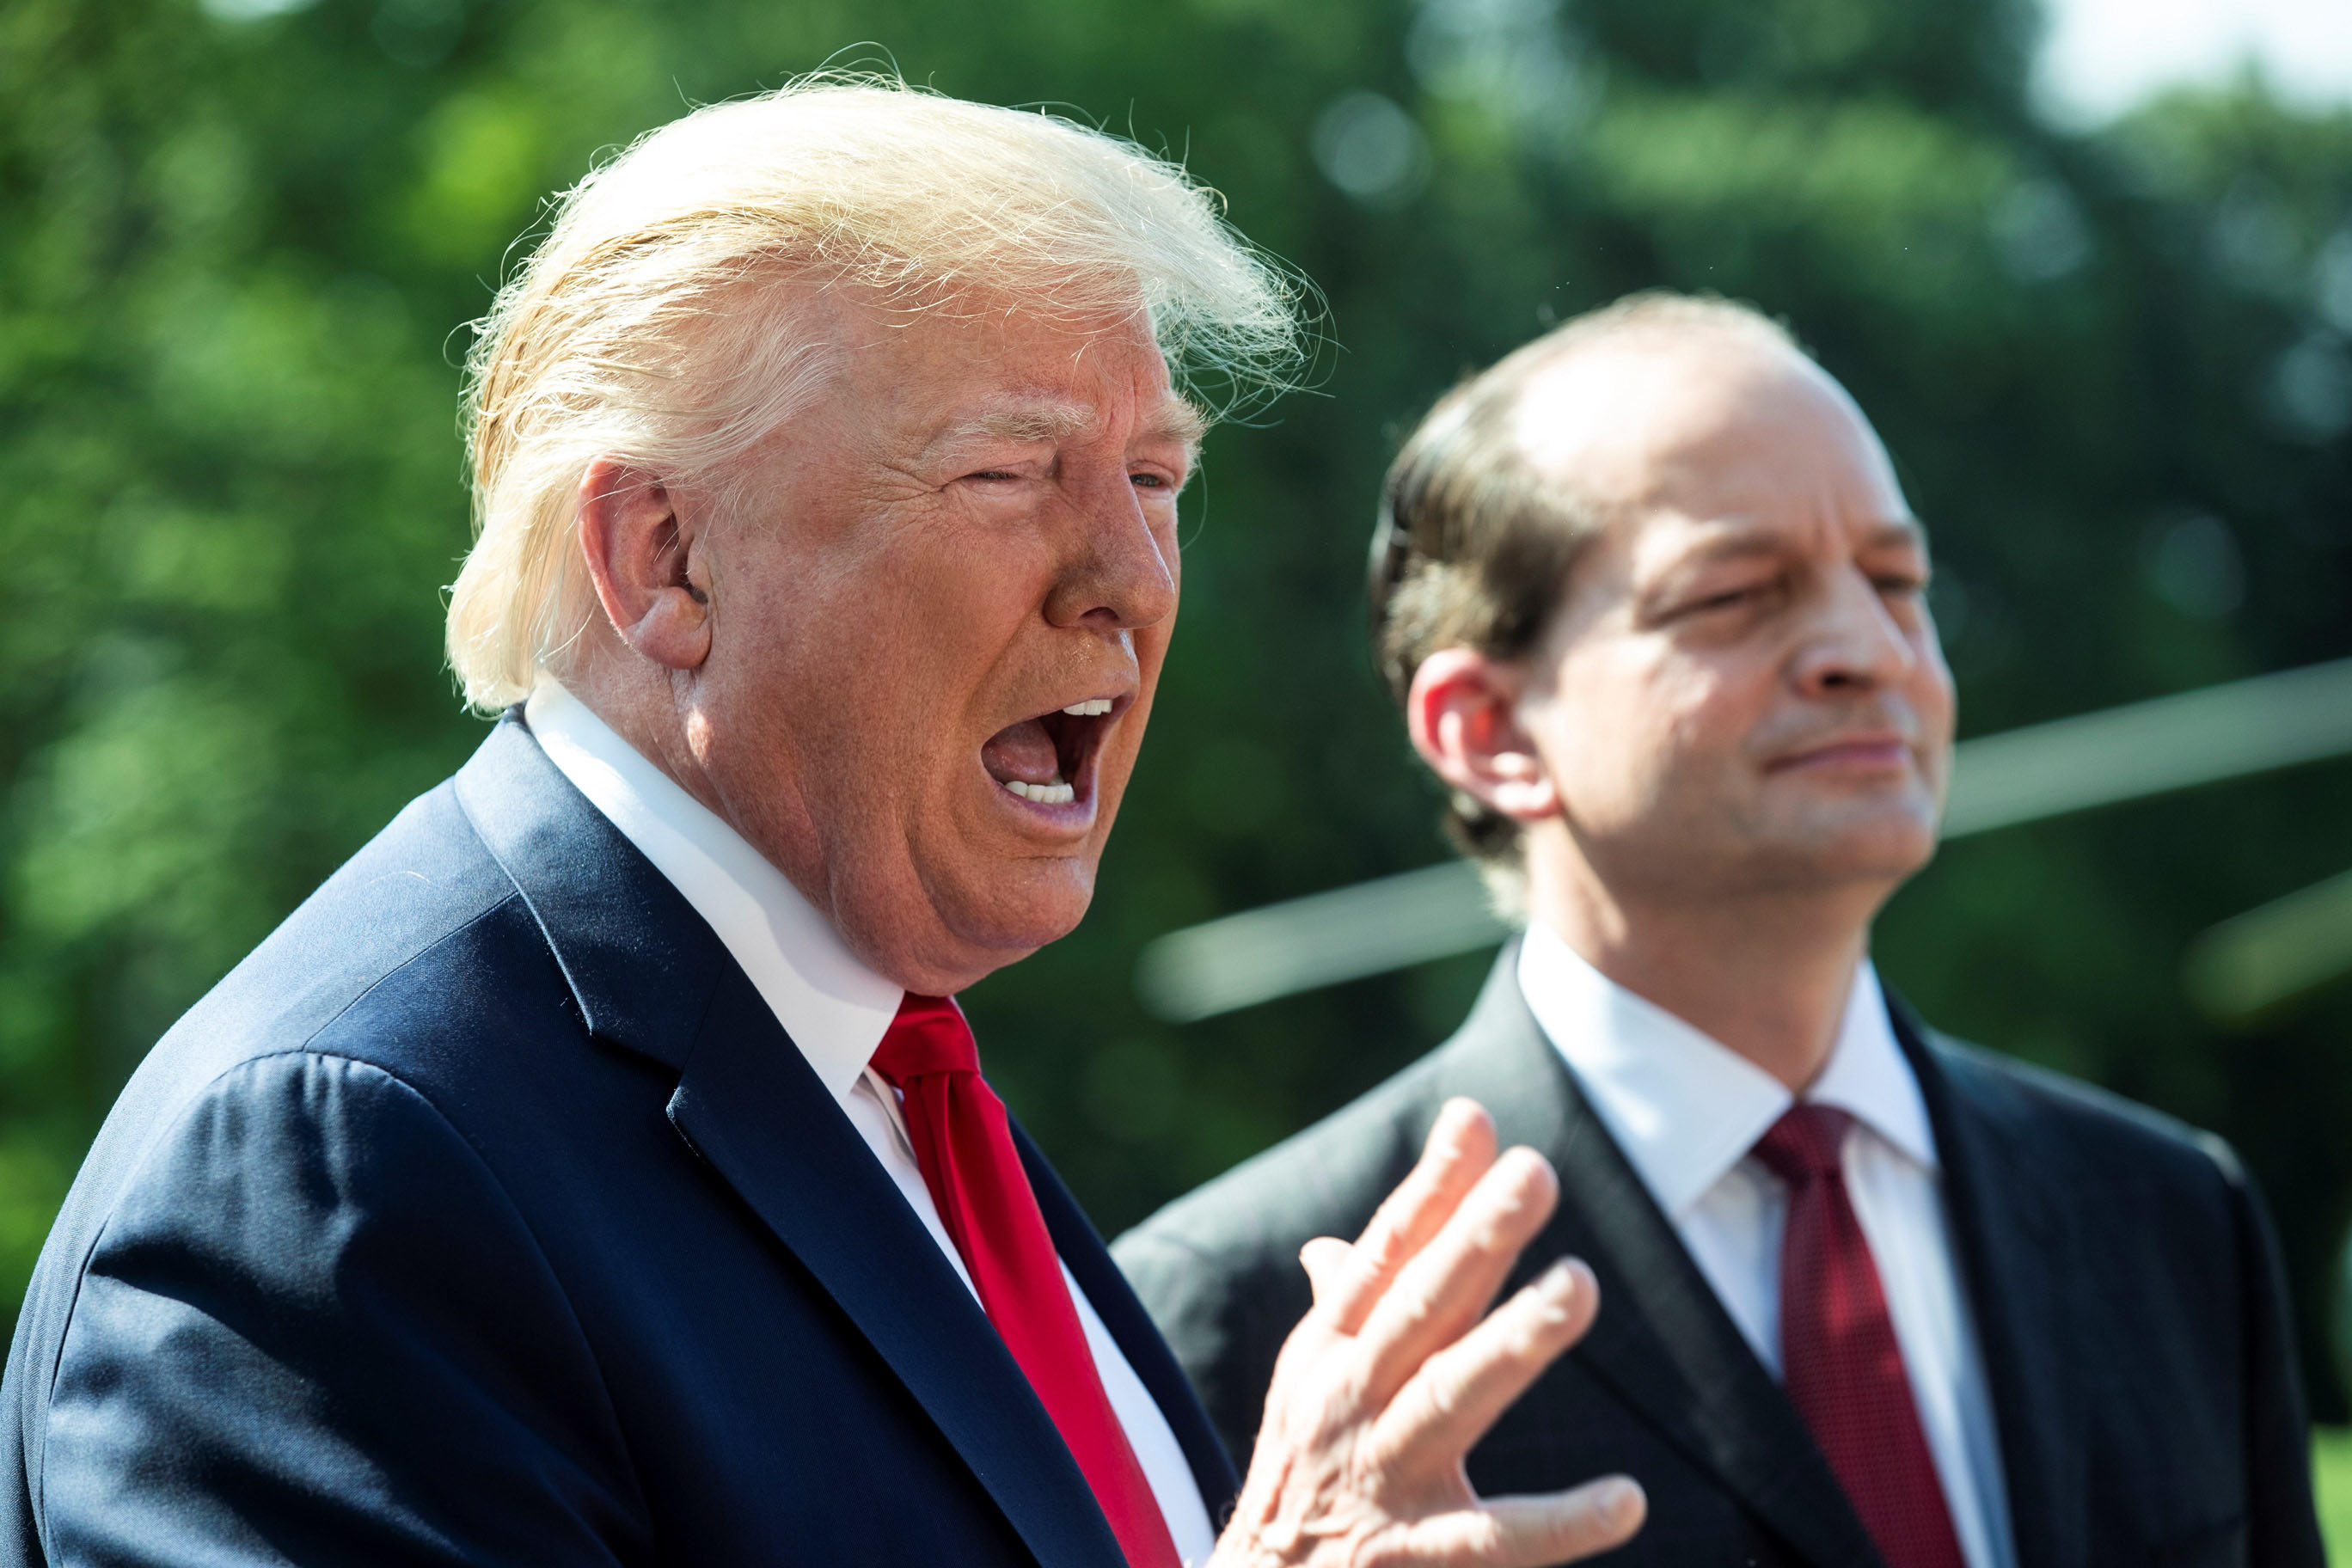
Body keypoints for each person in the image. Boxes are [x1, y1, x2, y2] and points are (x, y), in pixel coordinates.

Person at [0, 82, 1649, 1568]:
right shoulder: (336, 1170)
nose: (1134, 585)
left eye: (1154, 479)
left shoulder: (880, 1067)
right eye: (1010, 476)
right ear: (664, 559)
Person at [1116, 293, 2327, 1568]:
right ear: (1490, 732)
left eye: (1899, 580)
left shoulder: (2171, 1218)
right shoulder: (1252, 1312)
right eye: (1739, 593)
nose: (1867, 649)